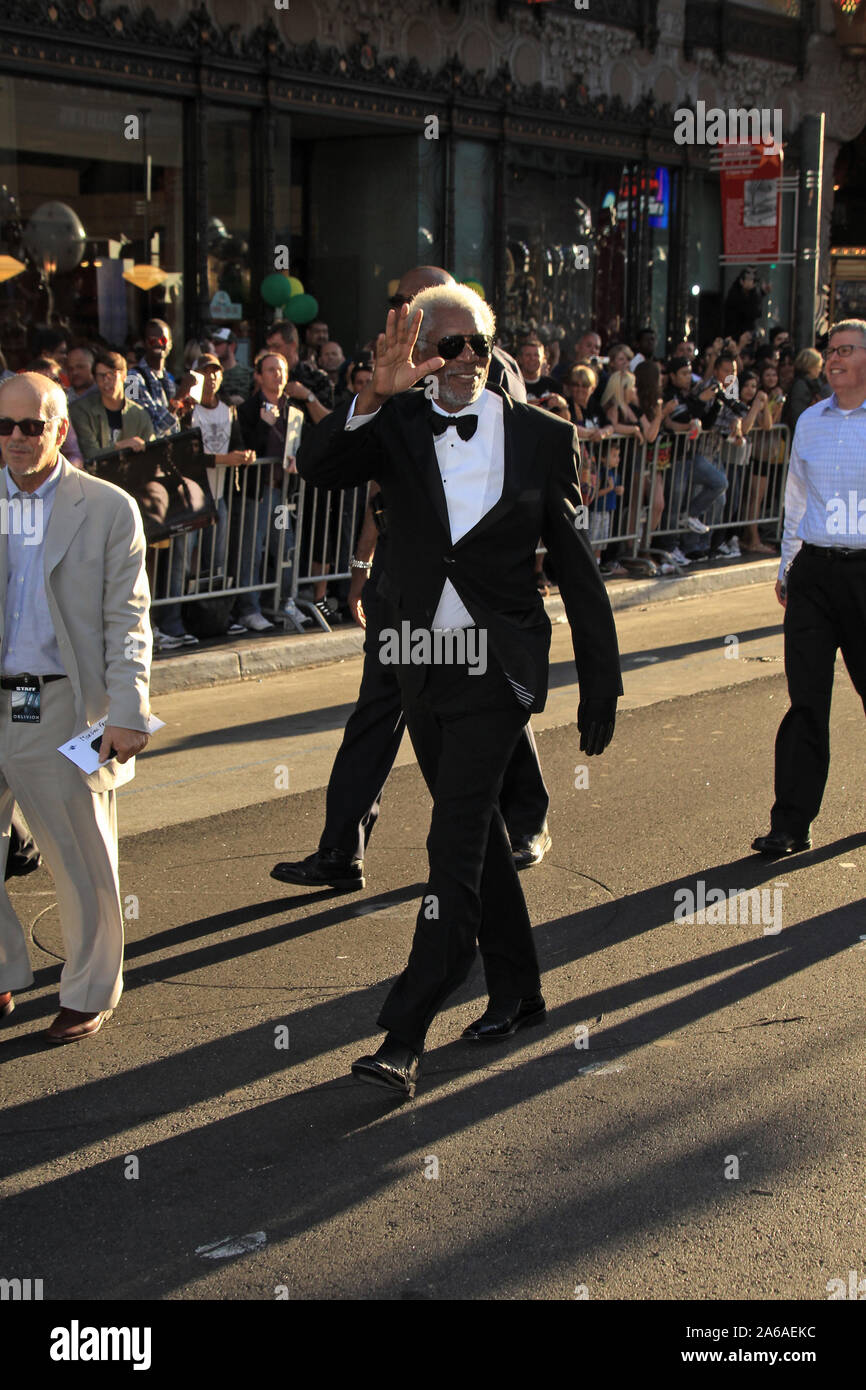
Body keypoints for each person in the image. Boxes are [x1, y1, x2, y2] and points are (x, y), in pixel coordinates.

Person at [295, 285, 622, 1099]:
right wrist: (372, 393)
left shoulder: (545, 436)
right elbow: (319, 468)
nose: (465, 359)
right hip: (417, 660)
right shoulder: (397, 423)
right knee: (474, 840)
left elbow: (577, 569)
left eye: (477, 342)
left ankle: (405, 1033)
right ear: (417, 353)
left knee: (451, 844)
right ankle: (519, 992)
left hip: (497, 668)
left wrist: (600, 686)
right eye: (444, 347)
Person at [271, 266, 550, 893]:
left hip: (472, 599)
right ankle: (341, 848)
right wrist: (367, 567)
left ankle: (523, 823)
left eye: (412, 304)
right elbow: (367, 477)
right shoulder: (398, 374)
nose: (403, 316)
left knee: (497, 705)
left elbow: (508, 486)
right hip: (405, 593)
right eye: (398, 304)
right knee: (377, 711)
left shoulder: (485, 369)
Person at [0, 372, 151, 1041]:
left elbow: (129, 620)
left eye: (31, 426)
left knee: (78, 854)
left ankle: (89, 987)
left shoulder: (108, 508)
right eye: (3, 426)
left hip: (63, 702)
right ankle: (3, 973)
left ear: (61, 429)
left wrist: (130, 708)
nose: (15, 438)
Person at [753, 319, 866, 857]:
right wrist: (786, 566)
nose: (834, 358)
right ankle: (790, 823)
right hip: (815, 574)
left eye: (846, 349)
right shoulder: (811, 421)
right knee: (805, 702)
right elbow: (795, 500)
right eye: (831, 350)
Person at [70, 350, 154, 464]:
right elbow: (90, 455)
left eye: (112, 374)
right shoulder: (81, 411)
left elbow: (152, 454)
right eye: (101, 376)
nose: (106, 381)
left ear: (124, 376)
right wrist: (120, 446)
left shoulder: (139, 414)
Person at [265, 321, 333, 423]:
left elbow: (329, 423)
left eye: (276, 346)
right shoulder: (264, 377)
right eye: (269, 347)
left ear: (293, 346)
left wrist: (308, 397)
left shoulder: (316, 377)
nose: (271, 352)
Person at [127, 319, 179, 437]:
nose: (158, 344)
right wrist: (179, 399)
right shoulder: (131, 379)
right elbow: (144, 431)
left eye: (163, 340)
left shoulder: (169, 380)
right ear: (144, 344)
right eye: (152, 340)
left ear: (170, 344)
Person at [782, 348, 830, 434]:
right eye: (818, 366)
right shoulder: (800, 385)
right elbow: (797, 412)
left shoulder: (813, 384)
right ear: (810, 366)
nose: (819, 370)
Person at [723, 267, 769, 339]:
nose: (753, 283)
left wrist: (761, 293)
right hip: (736, 333)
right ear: (742, 281)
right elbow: (750, 311)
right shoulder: (735, 295)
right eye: (750, 280)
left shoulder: (752, 294)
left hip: (747, 333)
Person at [211, 328, 253, 405]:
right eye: (212, 344)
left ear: (232, 346)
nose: (214, 348)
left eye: (217, 343)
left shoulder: (248, 374)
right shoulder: (210, 374)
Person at [516, 335, 560, 401]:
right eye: (528, 355)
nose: (532, 358)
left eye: (536, 355)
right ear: (520, 359)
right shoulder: (513, 384)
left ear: (543, 359)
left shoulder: (553, 386)